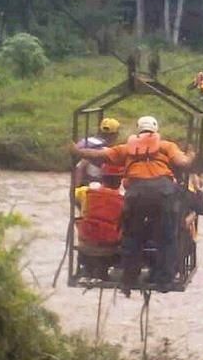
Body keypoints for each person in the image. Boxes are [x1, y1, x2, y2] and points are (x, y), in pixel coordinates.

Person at [70, 116, 195, 291]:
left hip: (136, 193)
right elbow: (183, 163)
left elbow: (99, 155)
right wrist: (190, 154)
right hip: (163, 192)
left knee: (132, 236)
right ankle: (164, 279)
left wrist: (78, 151)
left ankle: (129, 278)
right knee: (167, 236)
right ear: (155, 130)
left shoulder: (127, 148)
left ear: (138, 131)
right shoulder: (166, 146)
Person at [74, 164, 124, 280]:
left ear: (102, 178)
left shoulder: (85, 192)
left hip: (85, 249)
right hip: (110, 253)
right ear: (120, 180)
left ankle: (89, 269)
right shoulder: (123, 200)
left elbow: (73, 196)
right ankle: (104, 270)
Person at [74, 118, 120, 186]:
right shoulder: (103, 149)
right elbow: (82, 164)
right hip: (94, 183)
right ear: (114, 134)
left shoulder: (86, 141)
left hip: (81, 180)